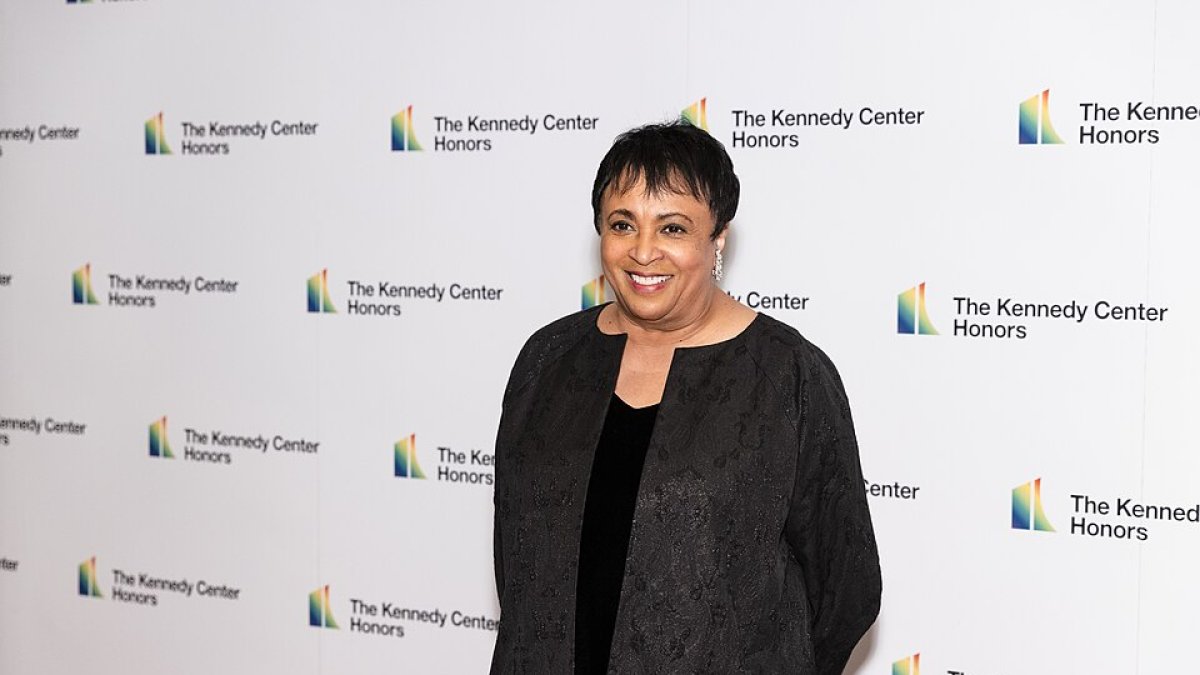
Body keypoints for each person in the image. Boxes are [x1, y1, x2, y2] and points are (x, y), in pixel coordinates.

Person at [490, 121, 880, 674]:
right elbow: (519, 561)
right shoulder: (547, 360)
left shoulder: (787, 374)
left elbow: (845, 586)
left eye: (672, 228)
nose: (643, 252)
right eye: (623, 224)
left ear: (717, 238)